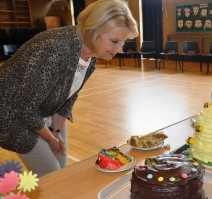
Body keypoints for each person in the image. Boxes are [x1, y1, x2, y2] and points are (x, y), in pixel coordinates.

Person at [0, 0, 138, 177]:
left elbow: (69, 96)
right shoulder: (55, 49)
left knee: (61, 165)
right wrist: (50, 138)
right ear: (94, 30)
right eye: (115, 41)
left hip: (39, 108)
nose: (120, 49)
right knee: (51, 175)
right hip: (11, 115)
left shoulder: (91, 56)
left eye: (123, 42)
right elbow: (24, 108)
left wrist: (56, 131)